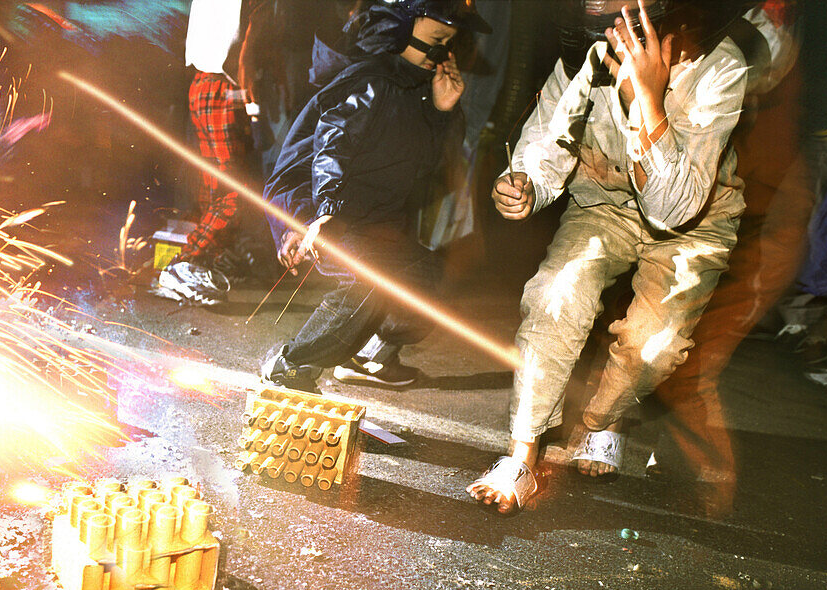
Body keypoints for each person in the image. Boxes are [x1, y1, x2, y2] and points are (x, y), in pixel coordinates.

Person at [468, 0, 748, 514]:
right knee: (555, 294)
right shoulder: (587, 52)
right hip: (604, 204)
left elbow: (675, 208)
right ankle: (521, 456)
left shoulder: (720, 65)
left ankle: (601, 420)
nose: (611, 33)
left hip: (694, 224)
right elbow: (546, 136)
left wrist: (647, 96)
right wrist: (528, 183)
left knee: (654, 346)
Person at [260, 0, 487, 393]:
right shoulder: (370, 80)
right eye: (434, 41)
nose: (441, 54)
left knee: (426, 278)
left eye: (449, 43)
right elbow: (334, 146)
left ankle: (365, 354)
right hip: (316, 205)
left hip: (368, 218)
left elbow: (428, 168)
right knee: (370, 280)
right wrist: (323, 212)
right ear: (400, 27)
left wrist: (442, 110)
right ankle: (290, 365)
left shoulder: (421, 86)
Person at [153, 0, 272, 306]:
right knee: (236, 191)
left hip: (202, 84)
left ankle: (205, 262)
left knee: (215, 189)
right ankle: (184, 264)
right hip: (224, 89)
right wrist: (254, 108)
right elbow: (246, 54)